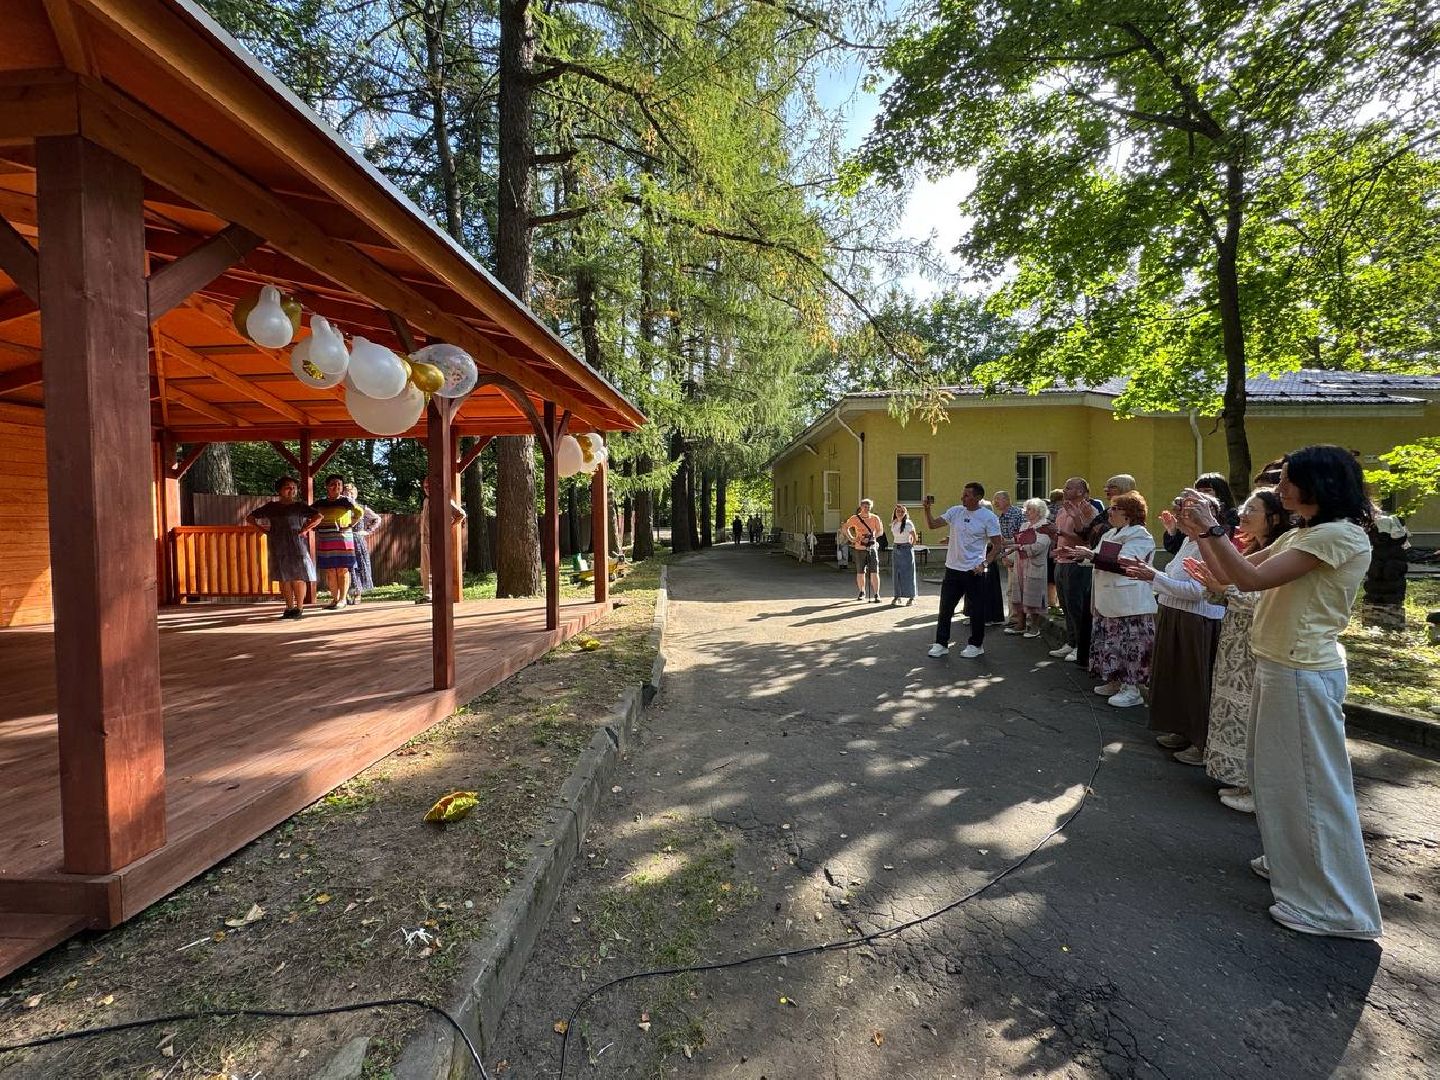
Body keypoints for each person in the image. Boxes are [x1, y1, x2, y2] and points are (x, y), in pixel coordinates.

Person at [1179, 445, 1382, 940]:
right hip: (1281, 666)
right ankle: (1295, 867)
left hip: (1303, 670)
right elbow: (1232, 576)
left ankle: (1337, 908)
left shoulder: (1339, 535)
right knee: (1278, 782)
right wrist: (1199, 535)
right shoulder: (1305, 532)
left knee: (1311, 788)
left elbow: (1248, 577)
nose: (1280, 488)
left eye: (1289, 480)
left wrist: (1210, 529)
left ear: (1320, 484)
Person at [1184, 489, 1293, 813]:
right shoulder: (1255, 549)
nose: (1243, 514)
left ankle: (1255, 786)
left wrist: (1224, 588)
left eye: (1253, 510)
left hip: (1258, 645)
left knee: (1252, 718)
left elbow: (1261, 597)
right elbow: (1224, 584)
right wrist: (1202, 538)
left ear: (1273, 517)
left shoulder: (1284, 552)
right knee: (1233, 709)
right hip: (1235, 642)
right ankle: (1239, 778)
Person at [1123, 491, 1225, 763]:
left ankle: (1201, 742)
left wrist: (1152, 576)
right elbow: (1173, 577)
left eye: (1183, 512)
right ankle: (1182, 730)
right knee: (1176, 679)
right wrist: (1153, 577)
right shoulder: (1188, 543)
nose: (1177, 516)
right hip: (1175, 614)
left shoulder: (1209, 545)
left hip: (1196, 621)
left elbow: (1198, 592)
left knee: (1194, 683)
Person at [1063, 492, 1156, 709]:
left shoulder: (1140, 535)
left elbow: (1125, 563)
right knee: (1111, 644)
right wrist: (1077, 555)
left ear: (1130, 514)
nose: (1109, 512)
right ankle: (1115, 681)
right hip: (1108, 600)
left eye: (1115, 508)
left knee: (1130, 646)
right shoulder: (1111, 533)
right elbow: (1097, 558)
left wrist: (1091, 556)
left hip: (1129, 602)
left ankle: (1131, 689)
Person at [923, 483, 1001, 658]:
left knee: (976, 610)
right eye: (963, 494)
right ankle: (941, 644)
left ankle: (976, 645)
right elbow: (933, 525)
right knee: (945, 609)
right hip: (952, 569)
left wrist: (985, 564)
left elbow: (997, 544)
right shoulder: (956, 511)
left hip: (974, 570)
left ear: (978, 498)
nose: (962, 498)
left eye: (966, 495)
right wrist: (927, 510)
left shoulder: (988, 517)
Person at [1045, 478, 1105, 665]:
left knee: (1077, 607)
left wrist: (1061, 533)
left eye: (1069, 487)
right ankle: (1071, 642)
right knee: (1066, 605)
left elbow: (1087, 540)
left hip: (1077, 564)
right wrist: (1053, 535)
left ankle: (1081, 645)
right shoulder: (1063, 509)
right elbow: (1061, 534)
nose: (1064, 489)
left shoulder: (1089, 510)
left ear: (1081, 491)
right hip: (1061, 560)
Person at [246, 476, 322, 619]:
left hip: (297, 543)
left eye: (294, 487)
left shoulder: (300, 506)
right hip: (278, 543)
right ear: (279, 490)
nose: (291, 490)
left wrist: (305, 529)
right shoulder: (271, 507)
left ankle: (299, 608)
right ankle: (289, 608)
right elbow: (250, 518)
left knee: (299, 576)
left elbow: (318, 517)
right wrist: (262, 529)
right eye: (288, 487)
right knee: (283, 577)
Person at [999, 498, 1051, 638]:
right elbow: (1017, 541)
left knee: (1034, 595)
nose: (1027, 512)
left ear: (1039, 512)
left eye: (1030, 510)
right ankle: (1020, 625)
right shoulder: (1024, 526)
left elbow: (1039, 546)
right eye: (1026, 509)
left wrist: (1019, 547)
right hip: (1021, 564)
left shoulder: (1044, 526)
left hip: (1034, 564)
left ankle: (1034, 627)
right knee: (1019, 594)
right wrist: (1007, 545)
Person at [311, 474, 362, 610]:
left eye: (339, 484)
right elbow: (308, 514)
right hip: (326, 540)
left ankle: (342, 599)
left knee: (342, 569)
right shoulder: (320, 503)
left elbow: (359, 512)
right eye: (333, 484)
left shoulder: (346, 501)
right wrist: (313, 526)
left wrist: (350, 524)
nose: (336, 486)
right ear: (327, 486)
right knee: (330, 571)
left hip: (343, 539)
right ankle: (334, 599)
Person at [417, 477, 468, 604]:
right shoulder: (426, 501)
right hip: (424, 538)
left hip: (436, 539)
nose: (427, 489)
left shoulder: (444, 499)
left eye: (429, 487)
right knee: (425, 568)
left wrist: (448, 526)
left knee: (433, 567)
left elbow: (461, 514)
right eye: (425, 487)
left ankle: (432, 594)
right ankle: (427, 593)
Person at [1162, 472, 1238, 555]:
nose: (1201, 495)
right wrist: (1172, 530)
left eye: (1207, 491)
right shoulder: (1192, 515)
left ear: (1221, 493)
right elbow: (1176, 549)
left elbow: (1227, 543)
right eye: (1198, 491)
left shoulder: (1233, 516)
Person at [993, 491, 1026, 633]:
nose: (995, 502)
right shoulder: (1000, 517)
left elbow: (1023, 537)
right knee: (1011, 589)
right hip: (1008, 553)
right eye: (994, 500)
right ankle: (1013, 618)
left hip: (1018, 552)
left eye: (997, 499)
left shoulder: (1018, 514)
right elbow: (999, 540)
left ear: (1007, 499)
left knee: (1016, 588)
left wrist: (1008, 551)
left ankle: (1018, 620)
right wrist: (1004, 556)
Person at [344, 483, 382, 605]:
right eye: (345, 493)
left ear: (355, 494)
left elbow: (377, 519)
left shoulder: (362, 507)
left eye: (351, 493)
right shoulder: (341, 508)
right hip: (344, 540)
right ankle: (344, 595)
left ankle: (358, 594)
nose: (348, 495)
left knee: (359, 566)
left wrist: (367, 531)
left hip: (358, 541)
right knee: (346, 568)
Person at [843, 499, 884, 602]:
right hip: (859, 548)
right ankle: (862, 592)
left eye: (869, 506)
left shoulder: (875, 518)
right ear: (861, 507)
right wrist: (852, 538)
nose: (867, 508)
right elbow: (845, 528)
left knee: (874, 571)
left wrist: (873, 536)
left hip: (872, 547)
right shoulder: (855, 518)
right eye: (865, 506)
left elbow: (880, 531)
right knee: (860, 571)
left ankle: (876, 594)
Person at [890, 503, 919, 606]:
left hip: (906, 548)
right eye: (898, 511)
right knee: (896, 573)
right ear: (895, 513)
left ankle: (911, 597)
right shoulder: (894, 523)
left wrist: (910, 545)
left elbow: (914, 537)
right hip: (896, 548)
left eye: (902, 511)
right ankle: (897, 596)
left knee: (908, 573)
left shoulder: (908, 523)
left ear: (905, 513)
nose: (900, 513)